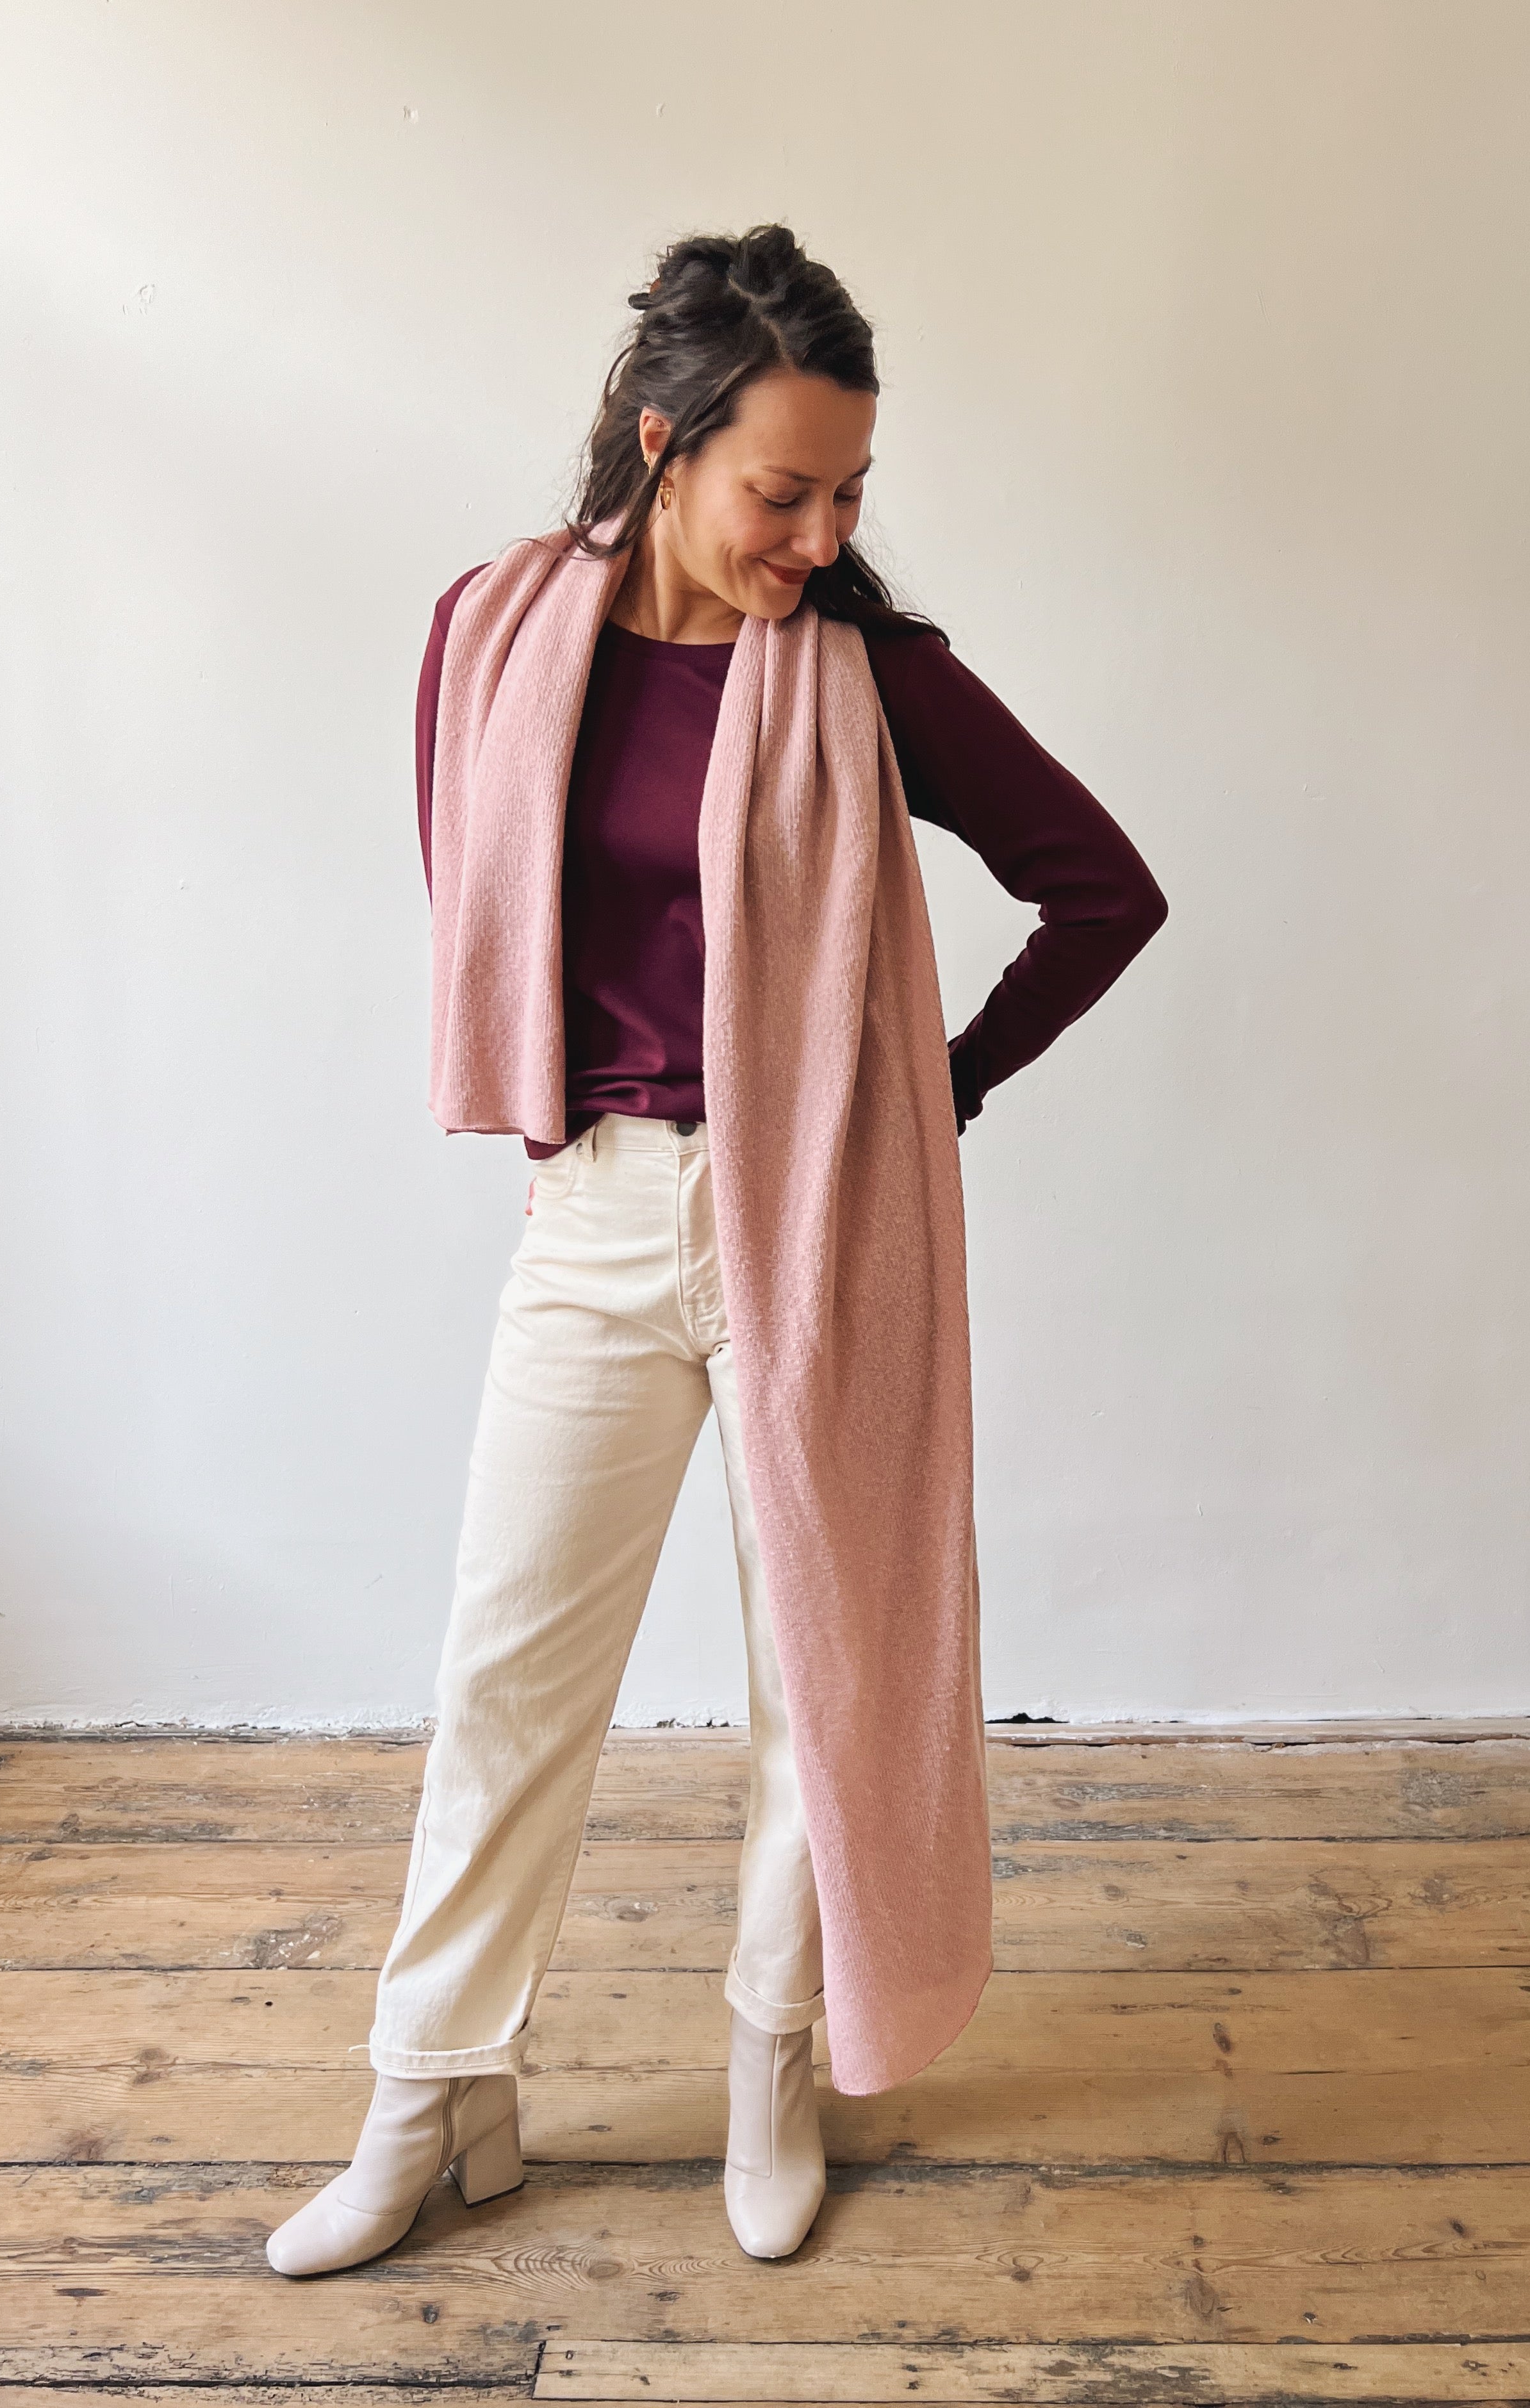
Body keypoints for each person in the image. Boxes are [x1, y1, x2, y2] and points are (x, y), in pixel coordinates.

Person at [267, 222, 1166, 2280]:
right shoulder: (489, 633)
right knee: (508, 1674)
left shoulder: (875, 678)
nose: (823, 529)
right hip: (597, 1211)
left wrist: (926, 1093)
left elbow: (1101, 890)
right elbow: (480, 909)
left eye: (854, 491)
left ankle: (777, 2061)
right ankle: (433, 2089)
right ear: (666, 442)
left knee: (820, 1681)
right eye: (787, 487)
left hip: (827, 1218)